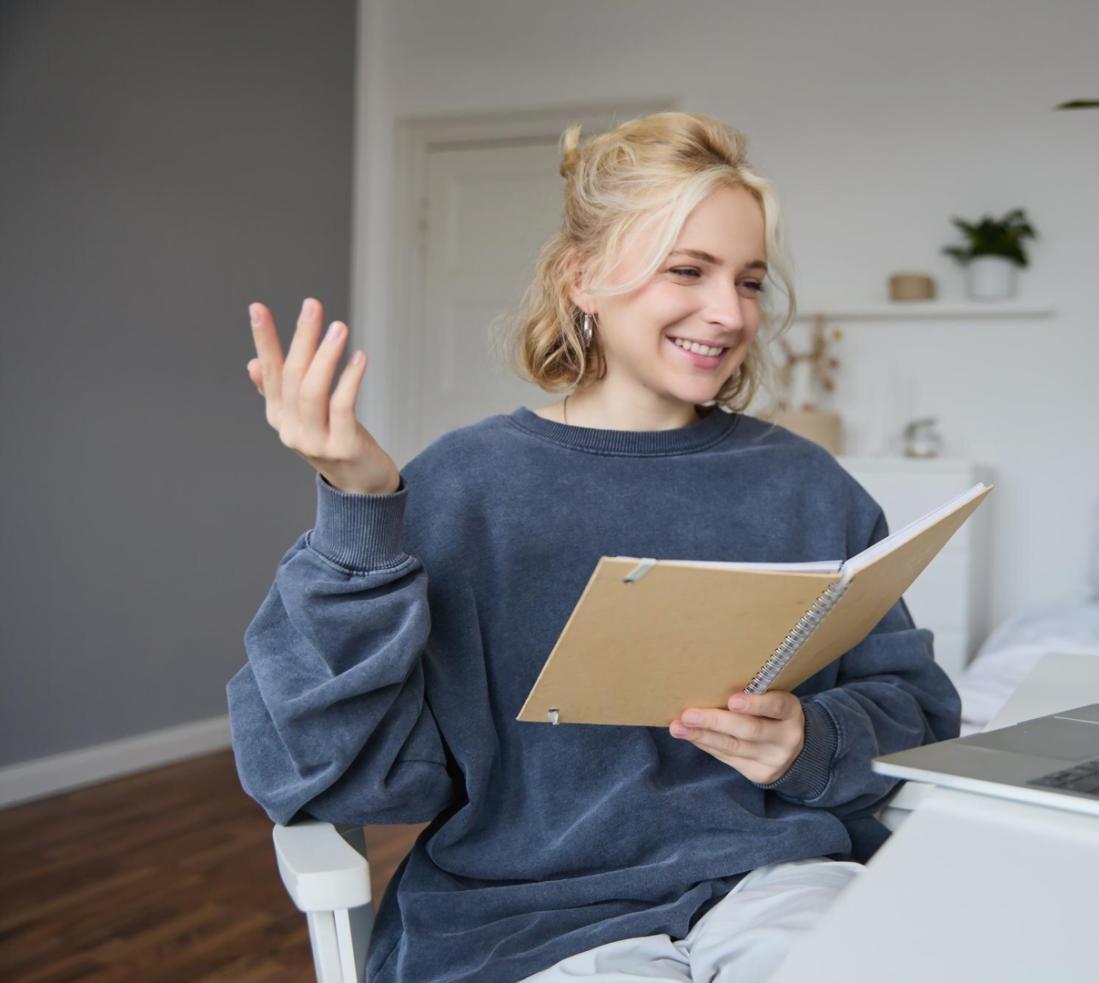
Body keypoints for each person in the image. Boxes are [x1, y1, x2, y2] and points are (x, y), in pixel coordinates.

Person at [228, 110, 961, 983]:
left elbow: (917, 712)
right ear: (584, 278)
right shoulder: (464, 486)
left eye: (751, 280)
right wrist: (358, 503)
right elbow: (315, 772)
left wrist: (812, 738)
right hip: (528, 917)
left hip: (778, 879)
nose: (728, 312)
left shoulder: (807, 485)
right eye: (687, 270)